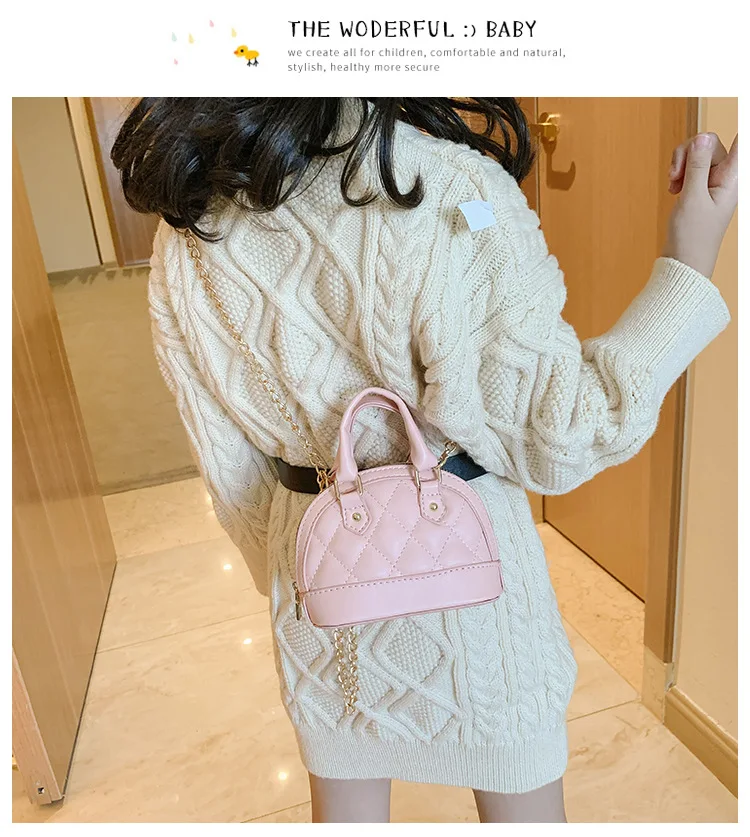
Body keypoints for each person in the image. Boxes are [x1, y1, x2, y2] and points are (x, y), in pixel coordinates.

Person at [112, 98, 737, 823]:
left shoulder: (189, 224)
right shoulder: (447, 187)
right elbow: (564, 433)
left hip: (319, 591)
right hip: (475, 598)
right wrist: (689, 261)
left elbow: (227, 465)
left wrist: (300, 574)